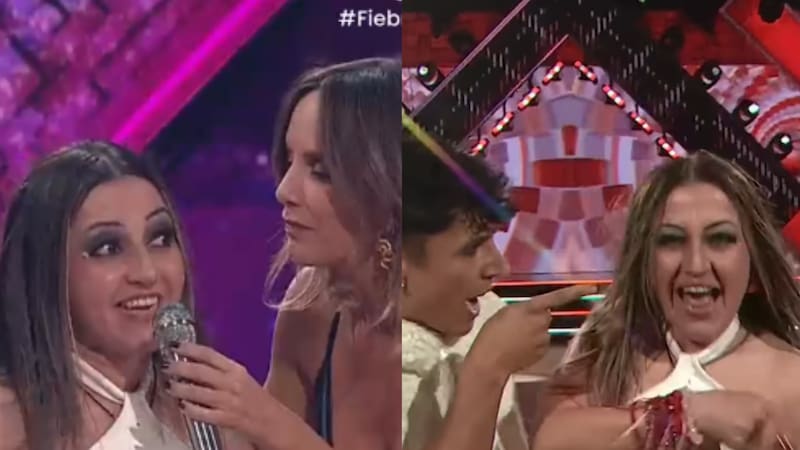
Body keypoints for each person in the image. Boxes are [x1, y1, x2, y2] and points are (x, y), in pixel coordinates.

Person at [161, 57, 401, 450]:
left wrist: (266, 419)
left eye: (320, 170)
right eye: (289, 162)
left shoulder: (446, 329)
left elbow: (275, 431)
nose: (284, 190)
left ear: (385, 181)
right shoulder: (312, 306)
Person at [533, 151, 800, 450]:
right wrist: (679, 416)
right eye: (671, 240)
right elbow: (551, 440)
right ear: (646, 265)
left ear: (753, 271)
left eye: (720, 239)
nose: (696, 265)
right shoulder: (606, 360)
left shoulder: (791, 382)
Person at [0, 141, 249, 449]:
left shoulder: (218, 414)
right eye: (108, 248)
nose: (147, 272)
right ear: (45, 271)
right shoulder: (12, 424)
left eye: (159, 239)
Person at [400, 124, 595, 450]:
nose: (500, 267)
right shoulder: (357, 366)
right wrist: (488, 370)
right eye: (472, 248)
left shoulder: (485, 314)